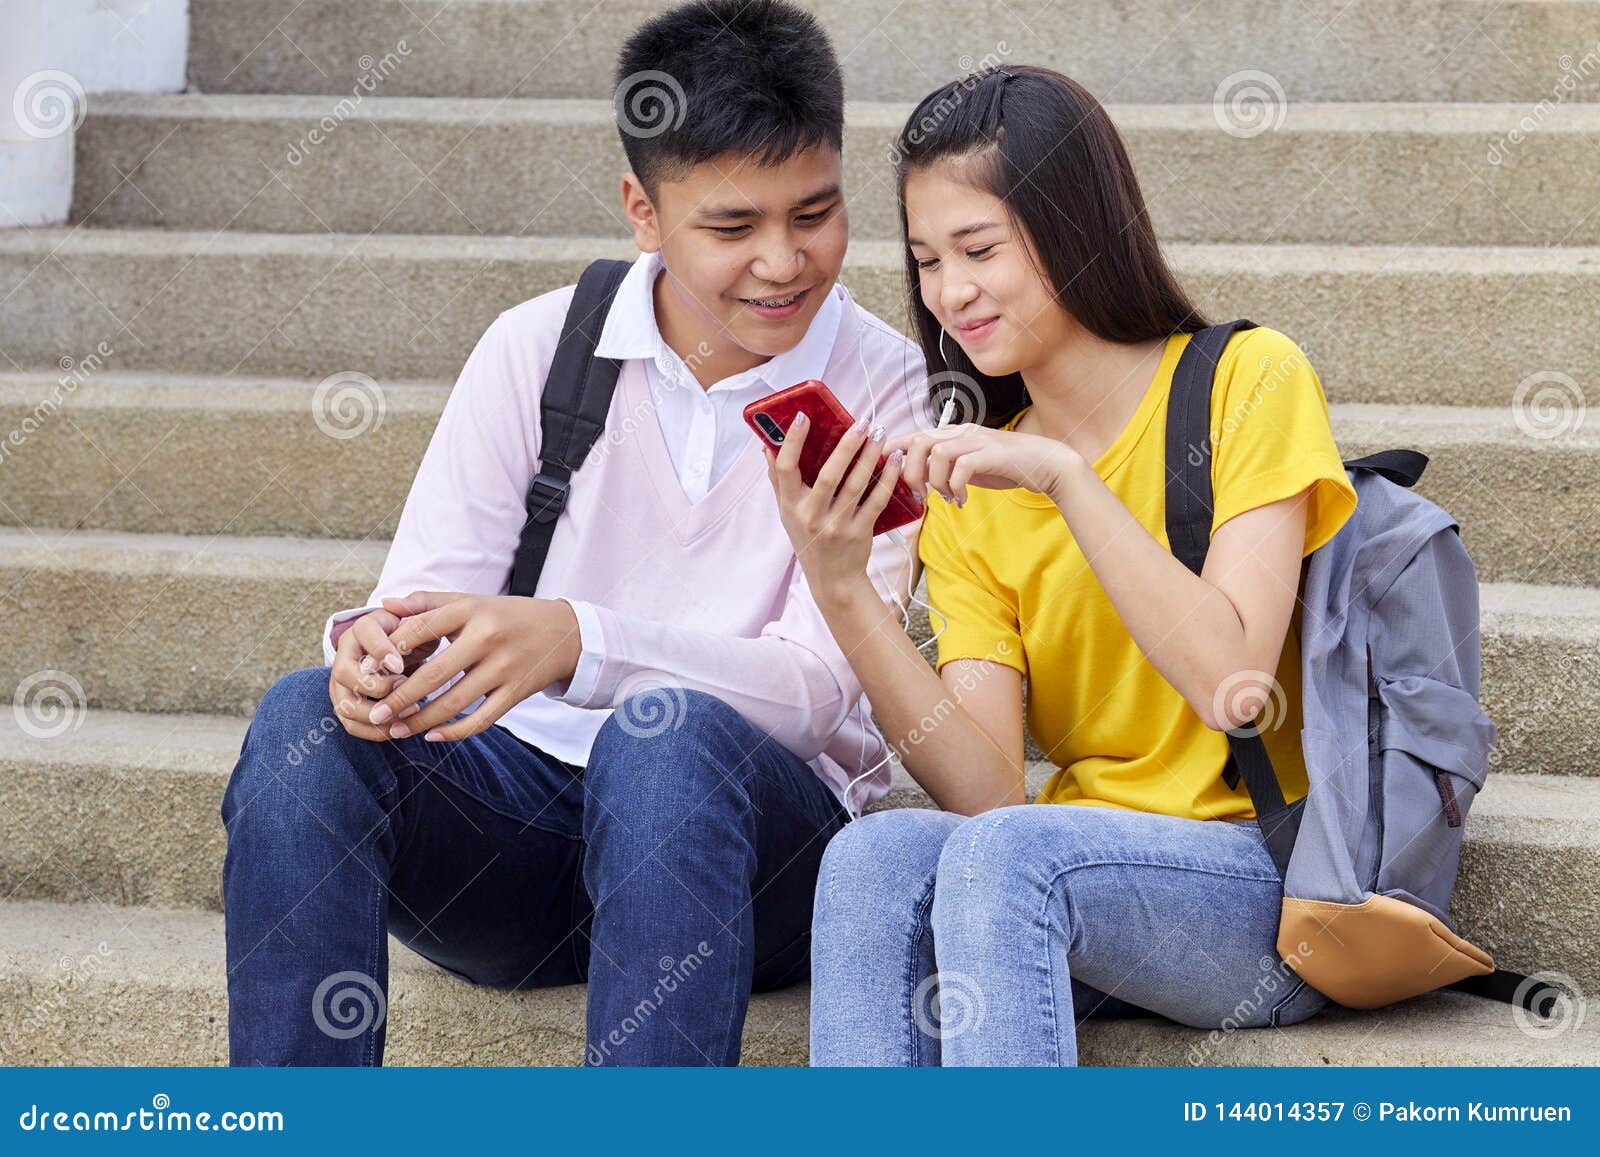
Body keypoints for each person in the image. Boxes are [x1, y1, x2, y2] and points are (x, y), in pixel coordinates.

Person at [219, 0, 923, 1066]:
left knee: (665, 740)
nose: (783, 261)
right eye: (732, 227)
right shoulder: (536, 345)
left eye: (814, 213)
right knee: (300, 719)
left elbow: (819, 693)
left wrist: (580, 642)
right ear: (642, 209)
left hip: (756, 850)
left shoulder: (889, 388)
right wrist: (372, 654)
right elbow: (423, 593)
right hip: (517, 836)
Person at [763, 65, 1359, 1066]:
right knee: (871, 853)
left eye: (978, 249)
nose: (950, 292)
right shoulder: (977, 489)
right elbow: (990, 789)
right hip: (1060, 876)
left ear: (1077, 224)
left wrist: (1069, 481)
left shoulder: (1248, 379)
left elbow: (1231, 683)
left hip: (1262, 882)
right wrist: (839, 587)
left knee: (1013, 856)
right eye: (924, 259)